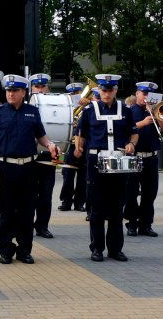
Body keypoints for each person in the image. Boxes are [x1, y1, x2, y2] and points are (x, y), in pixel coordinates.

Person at [0, 74, 59, 265]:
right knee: (6, 210)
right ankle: (6, 249)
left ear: (23, 92)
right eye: (8, 90)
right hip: (6, 167)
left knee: (27, 210)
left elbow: (41, 135)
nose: (10, 94)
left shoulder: (32, 112)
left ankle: (25, 250)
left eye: (14, 90)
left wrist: (49, 144)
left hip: (29, 167)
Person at [74, 74, 138, 262]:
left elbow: (133, 133)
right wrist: (78, 147)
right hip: (95, 161)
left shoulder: (125, 110)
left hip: (118, 162)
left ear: (116, 90)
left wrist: (132, 145)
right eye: (103, 90)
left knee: (117, 207)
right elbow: (81, 133)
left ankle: (115, 249)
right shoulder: (89, 110)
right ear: (99, 90)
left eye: (110, 90)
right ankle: (97, 248)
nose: (107, 93)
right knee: (97, 208)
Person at [124, 82, 163, 237]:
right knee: (131, 192)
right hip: (134, 157)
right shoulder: (129, 111)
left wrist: (157, 115)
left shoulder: (157, 110)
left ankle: (146, 224)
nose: (146, 97)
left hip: (151, 157)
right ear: (137, 94)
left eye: (149, 95)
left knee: (150, 193)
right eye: (143, 94)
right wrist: (143, 123)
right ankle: (132, 223)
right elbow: (123, 129)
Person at [28, 73, 56, 239]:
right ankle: (26, 223)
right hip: (29, 156)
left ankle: (42, 226)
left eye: (42, 86)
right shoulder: (24, 106)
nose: (39, 89)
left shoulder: (55, 106)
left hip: (47, 155)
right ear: (31, 88)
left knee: (46, 193)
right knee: (28, 194)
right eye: (36, 87)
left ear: (47, 88)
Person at [59, 82, 88, 213]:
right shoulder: (66, 108)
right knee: (68, 175)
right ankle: (66, 201)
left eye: (77, 93)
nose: (75, 95)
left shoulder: (87, 108)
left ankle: (80, 202)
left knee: (83, 175)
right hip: (70, 145)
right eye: (73, 94)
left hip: (84, 145)